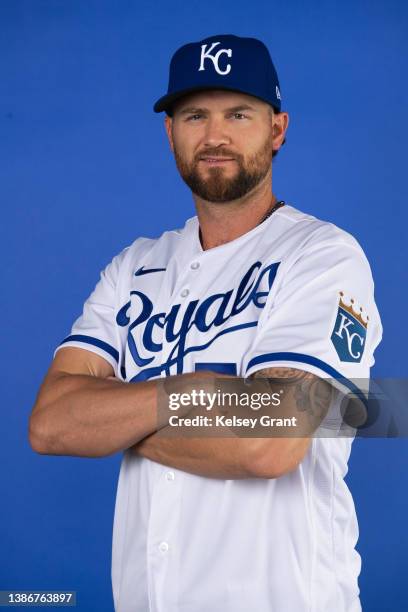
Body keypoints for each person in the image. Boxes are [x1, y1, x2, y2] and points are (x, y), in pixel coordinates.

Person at [29, 34, 383, 612]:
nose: (215, 136)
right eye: (195, 115)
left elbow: (271, 440)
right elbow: (49, 424)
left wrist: (115, 416)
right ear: (170, 132)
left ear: (277, 129)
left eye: (238, 113)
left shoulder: (322, 255)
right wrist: (187, 393)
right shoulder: (134, 266)